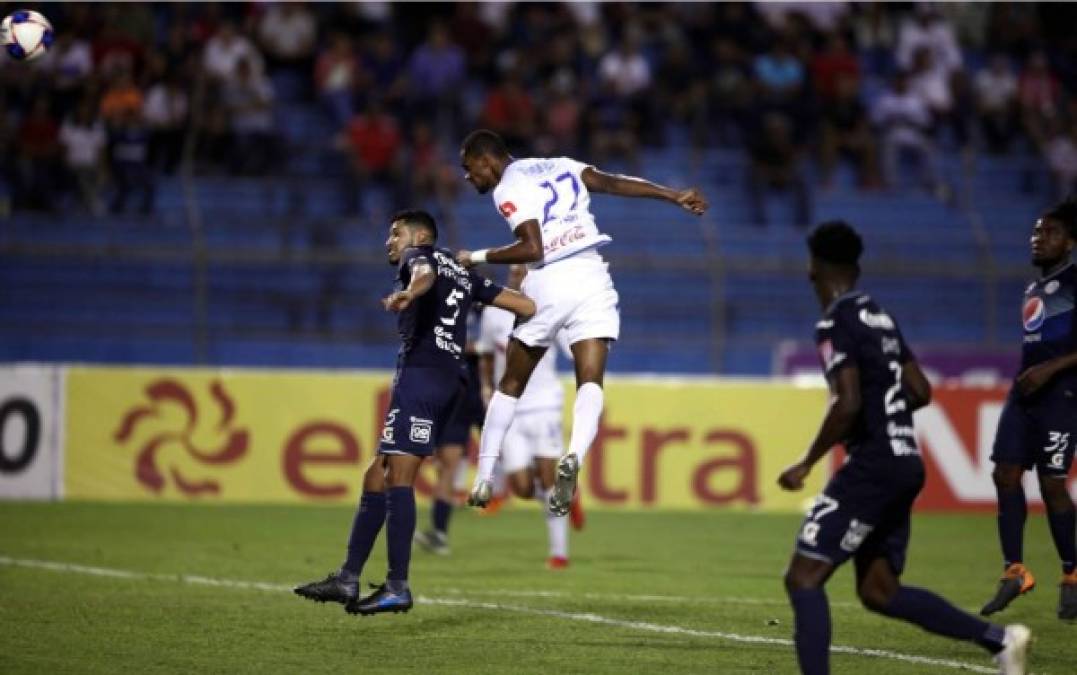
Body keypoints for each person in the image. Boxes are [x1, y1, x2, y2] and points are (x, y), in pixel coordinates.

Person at [778, 221, 1031, 675]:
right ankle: (999, 640)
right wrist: (888, 414)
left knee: (803, 577)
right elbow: (920, 389)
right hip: (905, 461)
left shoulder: (834, 319)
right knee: (880, 591)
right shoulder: (879, 316)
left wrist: (805, 462)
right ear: (855, 268)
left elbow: (847, 402)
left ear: (813, 269)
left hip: (874, 464)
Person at [293, 209, 535, 615]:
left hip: (423, 374)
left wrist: (412, 292)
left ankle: (396, 585)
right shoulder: (464, 274)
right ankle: (349, 578)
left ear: (420, 235)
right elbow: (524, 306)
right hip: (452, 379)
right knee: (379, 471)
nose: (389, 241)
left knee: (397, 477)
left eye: (395, 233)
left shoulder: (418, 256)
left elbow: (421, 272)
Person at [456, 129, 707, 517]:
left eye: (469, 168)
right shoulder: (561, 164)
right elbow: (613, 182)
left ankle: (485, 475)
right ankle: (574, 455)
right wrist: (672, 195)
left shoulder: (506, 188)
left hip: (549, 280)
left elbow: (532, 248)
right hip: (593, 276)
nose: (468, 177)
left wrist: (474, 256)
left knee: (510, 384)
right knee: (590, 380)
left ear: (486, 160)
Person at [981, 200, 1077, 620]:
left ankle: (1072, 574)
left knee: (1053, 485)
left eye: (1049, 232)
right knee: (1005, 473)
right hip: (1025, 394)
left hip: (1063, 395)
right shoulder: (1033, 289)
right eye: (1036, 232)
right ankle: (1014, 570)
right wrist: (1032, 376)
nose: (1038, 239)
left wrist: (1051, 369)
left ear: (1070, 242)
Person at [478, 264, 583, 569]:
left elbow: (573, 349)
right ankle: (568, 499)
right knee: (522, 487)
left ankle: (559, 554)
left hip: (544, 405)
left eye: (522, 269)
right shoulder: (493, 312)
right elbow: (486, 353)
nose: (516, 273)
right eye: (513, 269)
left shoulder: (549, 308)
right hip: (510, 405)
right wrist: (486, 388)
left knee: (549, 478)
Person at [413, 305, 487, 557]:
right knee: (447, 465)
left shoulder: (486, 310)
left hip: (476, 393)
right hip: (451, 393)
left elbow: (490, 349)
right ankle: (439, 532)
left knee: (513, 461)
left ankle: (549, 488)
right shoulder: (444, 306)